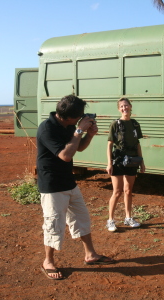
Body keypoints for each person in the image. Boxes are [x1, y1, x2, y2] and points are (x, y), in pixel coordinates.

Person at [37, 94, 115, 280]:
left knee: (81, 218)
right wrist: (79, 131)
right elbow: (65, 155)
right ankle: (48, 261)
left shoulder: (69, 126)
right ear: (69, 117)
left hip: (68, 182)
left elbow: (78, 148)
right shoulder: (47, 128)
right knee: (54, 224)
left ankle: (90, 254)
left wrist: (89, 135)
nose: (81, 119)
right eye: (79, 117)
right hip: (52, 185)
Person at [106, 97, 145, 232]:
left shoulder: (135, 124)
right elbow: (110, 145)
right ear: (119, 109)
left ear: (130, 106)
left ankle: (128, 217)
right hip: (118, 161)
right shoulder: (115, 124)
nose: (124, 108)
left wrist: (142, 162)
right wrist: (109, 163)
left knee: (128, 191)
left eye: (126, 106)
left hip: (132, 161)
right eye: (122, 106)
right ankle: (110, 220)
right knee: (117, 191)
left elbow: (138, 144)